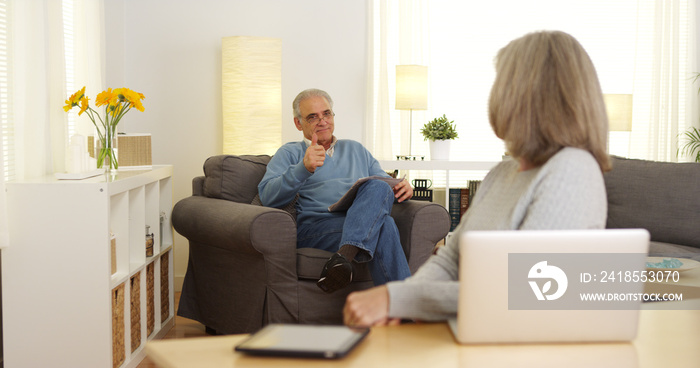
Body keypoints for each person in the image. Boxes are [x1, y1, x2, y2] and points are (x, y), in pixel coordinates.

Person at [343, 30, 612, 327]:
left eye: (502, 82)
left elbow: (525, 287)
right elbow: (450, 260)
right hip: (472, 330)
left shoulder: (572, 170)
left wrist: (397, 299)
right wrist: (402, 303)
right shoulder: (503, 172)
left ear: (531, 94)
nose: (495, 93)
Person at [258, 88, 414, 293]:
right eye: (312, 117)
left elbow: (382, 188)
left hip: (354, 221)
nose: (322, 121)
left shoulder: (356, 149)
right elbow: (267, 196)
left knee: (379, 193)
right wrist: (302, 168)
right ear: (298, 123)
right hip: (316, 228)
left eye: (326, 114)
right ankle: (407, 310)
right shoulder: (290, 152)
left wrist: (402, 188)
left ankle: (343, 258)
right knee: (385, 225)